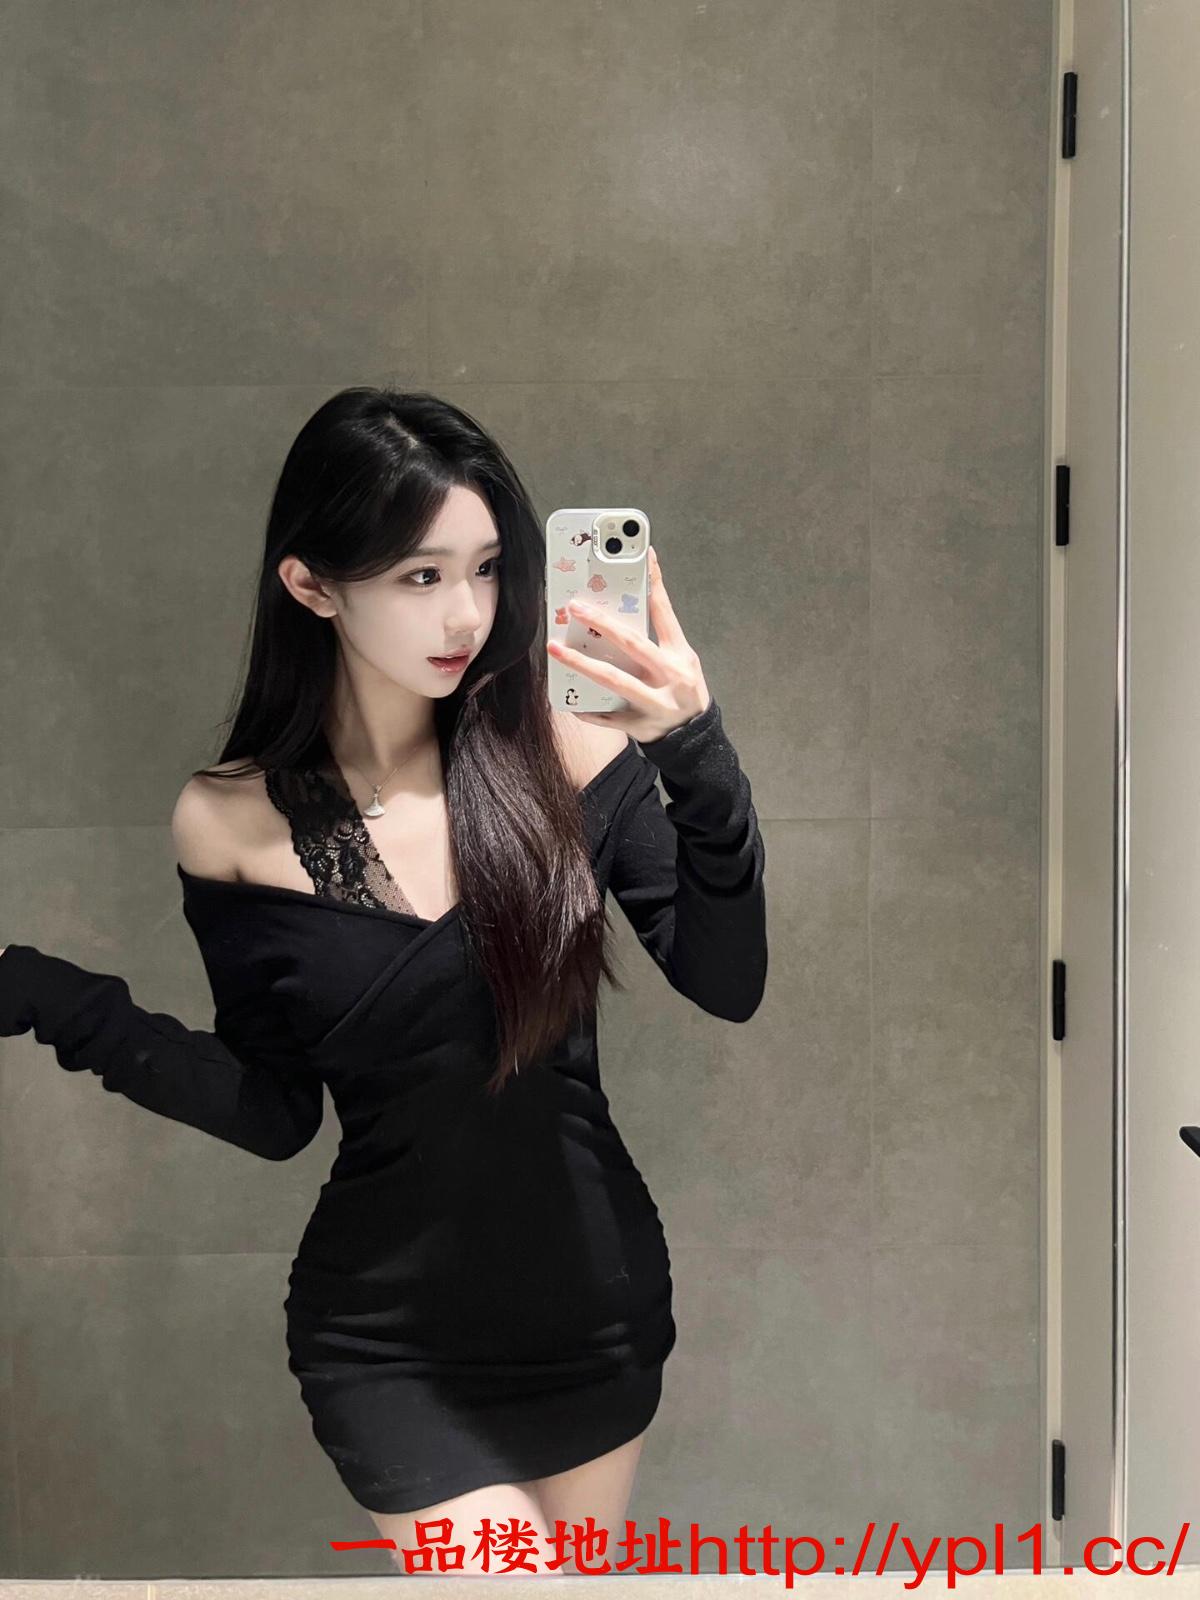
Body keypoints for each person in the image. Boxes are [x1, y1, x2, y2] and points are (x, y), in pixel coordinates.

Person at [0, 387, 767, 1577]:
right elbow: (273, 1107)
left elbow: (727, 977)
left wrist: (694, 749)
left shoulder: (568, 749)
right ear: (312, 586)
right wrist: (41, 992)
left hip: (593, 1309)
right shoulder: (231, 820)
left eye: (487, 569)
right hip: (389, 1341)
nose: (466, 613)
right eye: (420, 576)